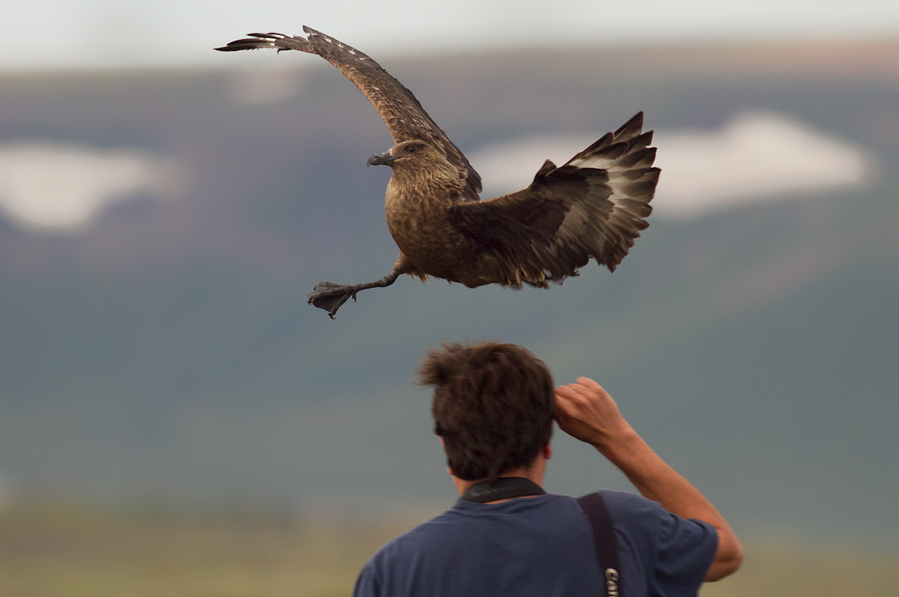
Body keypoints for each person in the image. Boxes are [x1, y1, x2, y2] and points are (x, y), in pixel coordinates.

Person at [353, 341, 743, 597]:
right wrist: (616, 437)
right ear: (547, 443)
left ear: (444, 443)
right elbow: (726, 552)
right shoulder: (619, 525)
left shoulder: (393, 570)